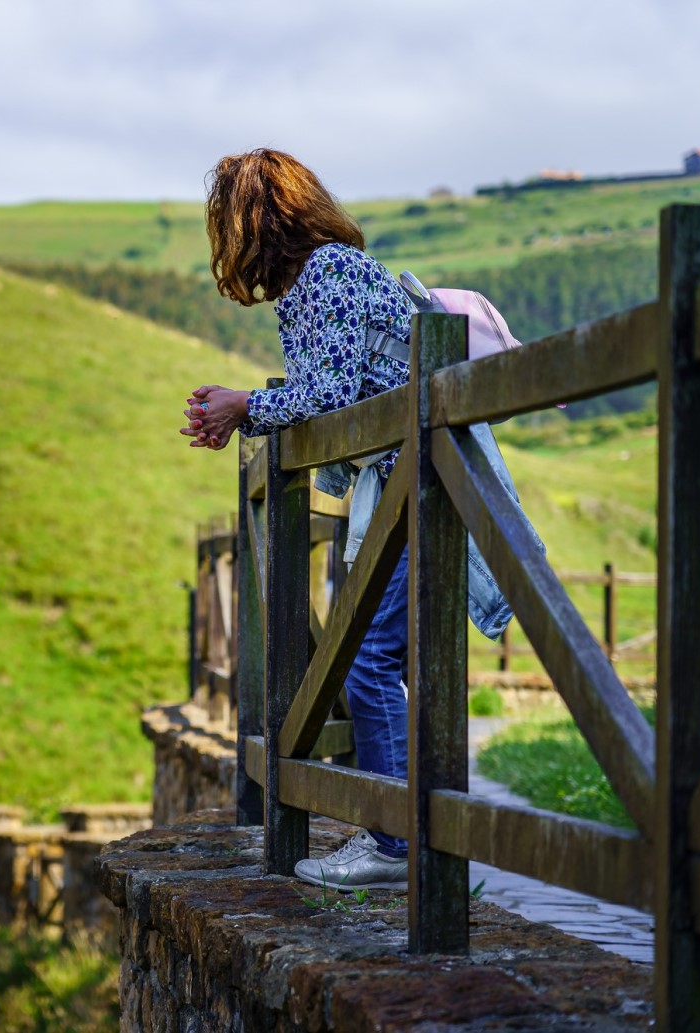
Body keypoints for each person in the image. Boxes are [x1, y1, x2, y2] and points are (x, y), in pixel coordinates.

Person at [179, 148, 525, 893]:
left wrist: (248, 405)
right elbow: (324, 394)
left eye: (228, 222)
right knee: (373, 656)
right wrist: (242, 417)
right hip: (405, 483)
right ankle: (415, 844)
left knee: (366, 657)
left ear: (256, 221)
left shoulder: (329, 274)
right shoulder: (310, 285)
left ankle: (399, 849)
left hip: (421, 481)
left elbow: (331, 396)